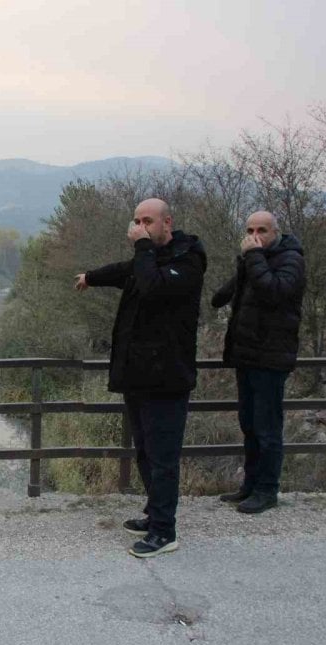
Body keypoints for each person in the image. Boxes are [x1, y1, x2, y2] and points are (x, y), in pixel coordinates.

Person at [74, 198, 207, 558]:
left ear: (168, 222)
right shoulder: (148, 257)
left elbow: (152, 286)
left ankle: (165, 532)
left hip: (167, 377)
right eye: (136, 221)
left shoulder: (188, 260)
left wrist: (142, 245)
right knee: (146, 452)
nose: (141, 227)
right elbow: (126, 271)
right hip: (138, 374)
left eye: (148, 221)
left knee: (163, 457)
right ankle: (154, 515)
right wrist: (91, 277)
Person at [211, 211, 305, 514]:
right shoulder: (254, 260)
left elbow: (274, 291)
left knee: (267, 428)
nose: (254, 236)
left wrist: (252, 257)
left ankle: (268, 490)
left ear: (275, 232)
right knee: (249, 424)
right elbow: (227, 294)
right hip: (247, 356)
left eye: (261, 230)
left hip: (271, 358)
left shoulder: (291, 259)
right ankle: (250, 485)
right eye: (250, 230)